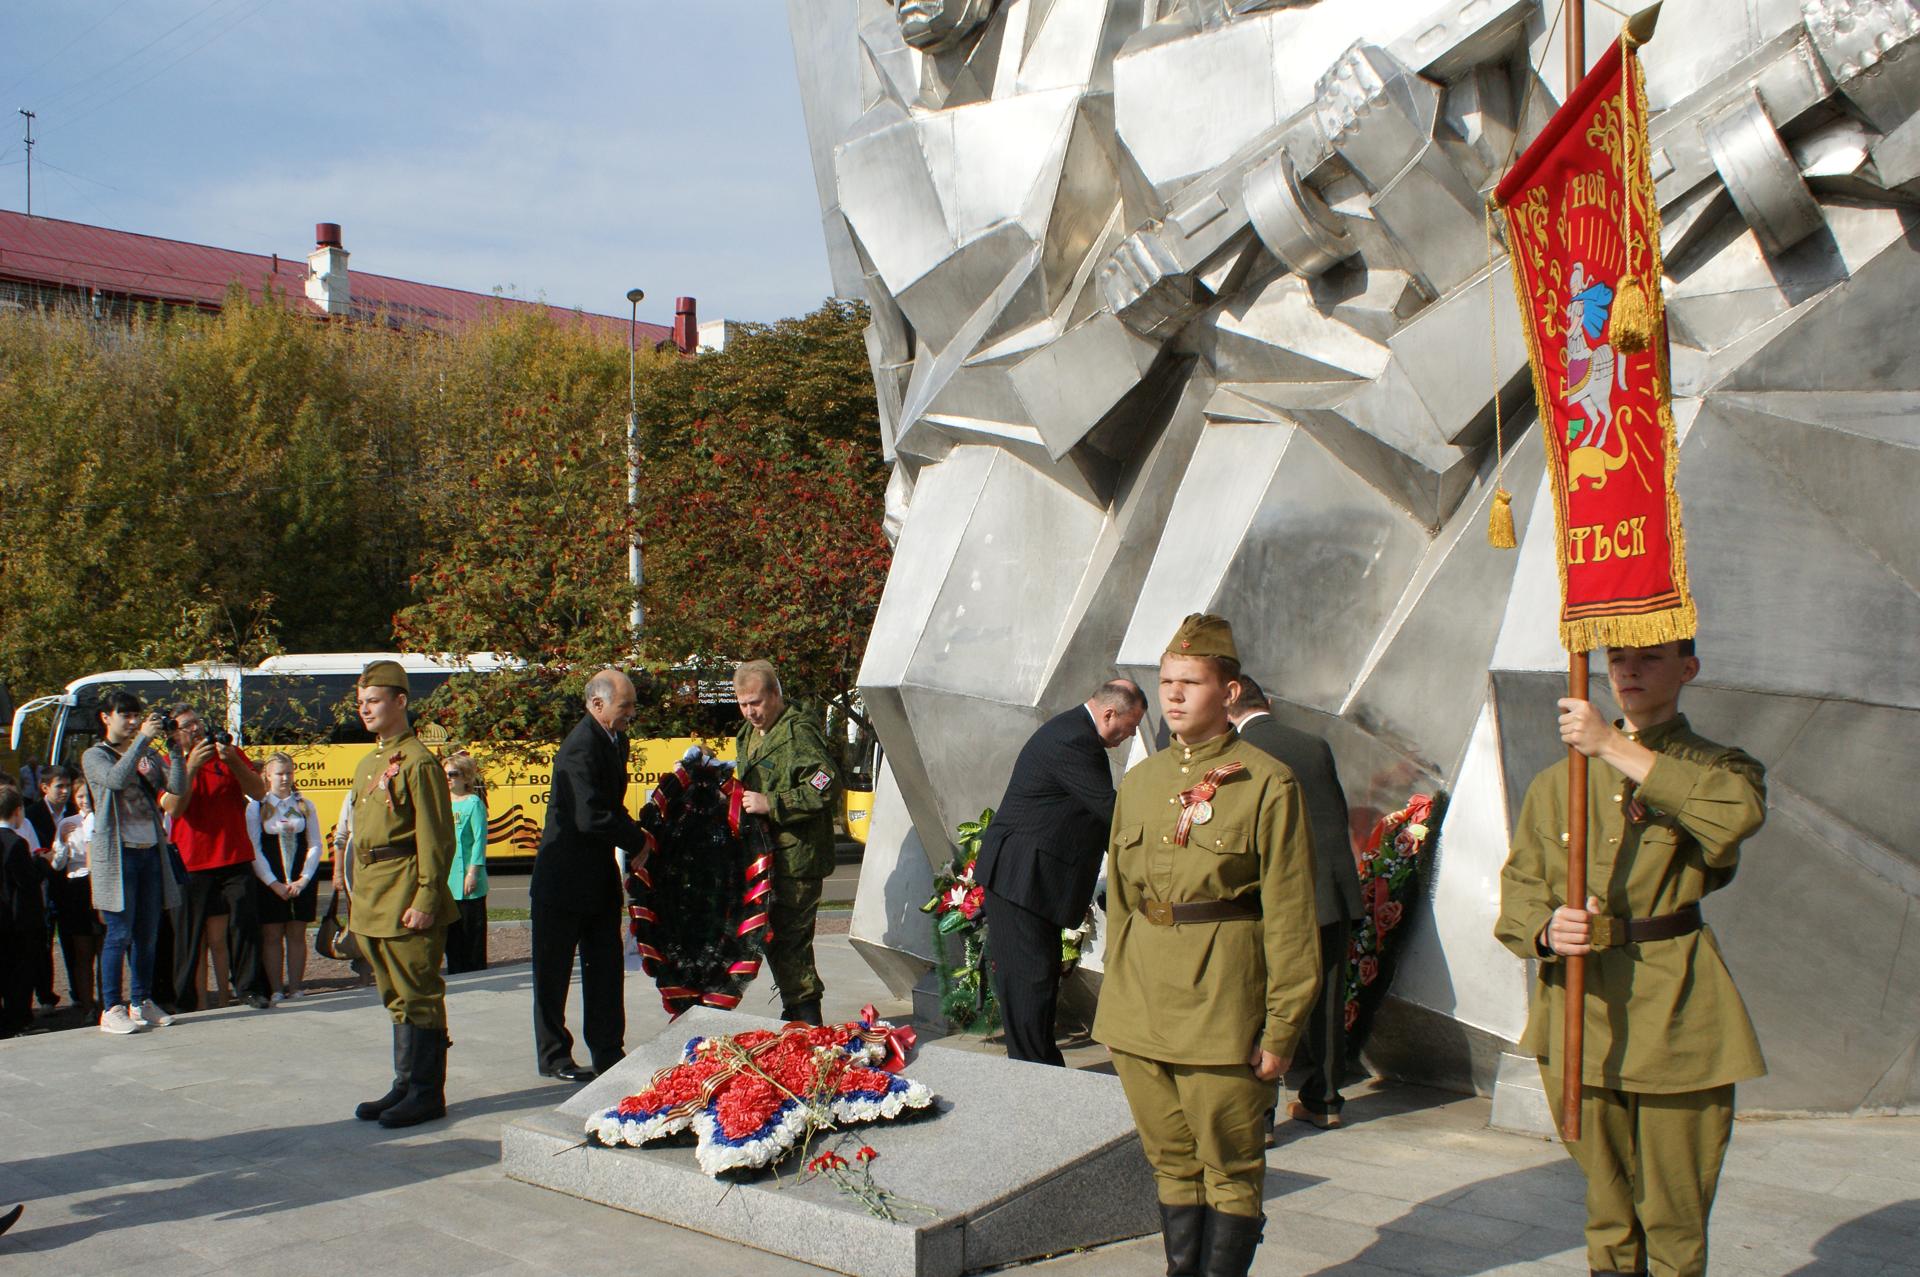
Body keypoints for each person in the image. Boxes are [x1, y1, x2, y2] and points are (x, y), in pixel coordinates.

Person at [1496, 640, 1767, 1277]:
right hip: (1582, 1012)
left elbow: (1736, 817)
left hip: (1675, 1011)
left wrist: (1611, 747)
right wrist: (1545, 929)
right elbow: (1520, 890)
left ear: (1689, 669)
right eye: (1618, 660)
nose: (1629, 672)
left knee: (1674, 1216)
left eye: (1649, 658)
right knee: (1608, 1213)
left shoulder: (1718, 767)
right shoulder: (1559, 780)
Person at [1092, 614, 1321, 1277]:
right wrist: (1118, 1006)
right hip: (1143, 1007)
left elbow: (1290, 914)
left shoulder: (1266, 781)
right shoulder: (1140, 781)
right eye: (1165, 680)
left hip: (1221, 1002)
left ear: (1228, 691)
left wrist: (1281, 1026)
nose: (1173, 694)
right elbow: (1125, 904)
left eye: (1190, 680)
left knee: (1229, 1164)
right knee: (1170, 1159)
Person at [973, 679, 1146, 1065]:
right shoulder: (1075, 740)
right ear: (1109, 713)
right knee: (1029, 983)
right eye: (1131, 726)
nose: (1130, 735)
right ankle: (1036, 1076)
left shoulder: (1074, 732)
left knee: (1035, 982)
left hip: (1030, 882)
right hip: (1022, 880)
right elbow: (1110, 812)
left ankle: (1039, 1067)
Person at [1227, 676, 1363, 1136]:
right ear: (1266, 702)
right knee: (1325, 998)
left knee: (1261, 1000)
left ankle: (1260, 1115)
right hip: (1330, 890)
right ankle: (1324, 1101)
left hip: (1277, 895)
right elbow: (1337, 812)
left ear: (1228, 705)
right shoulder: (1314, 743)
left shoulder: (1239, 754)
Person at [347, 660, 456, 1128]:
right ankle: (405, 1083)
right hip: (373, 892)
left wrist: (427, 898)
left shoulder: (418, 761)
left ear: (400, 702)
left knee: (419, 993)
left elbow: (436, 838)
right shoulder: (370, 760)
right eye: (361, 703)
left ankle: (428, 1092)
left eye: (373, 701)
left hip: (405, 888)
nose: (365, 710)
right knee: (394, 994)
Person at [531, 670, 643, 1082]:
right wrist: (638, 841)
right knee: (553, 972)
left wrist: (639, 833)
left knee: (606, 967)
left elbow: (611, 805)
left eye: (632, 704)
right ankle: (554, 1055)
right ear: (597, 705)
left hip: (597, 878)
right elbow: (591, 815)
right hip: (562, 880)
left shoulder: (615, 739)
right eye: (624, 705)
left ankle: (608, 1050)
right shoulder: (579, 747)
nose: (631, 712)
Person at [732, 660, 838, 1026]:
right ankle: (797, 1016)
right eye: (743, 704)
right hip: (768, 857)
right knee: (776, 941)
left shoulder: (797, 733)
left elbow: (825, 786)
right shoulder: (748, 735)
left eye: (756, 702)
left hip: (798, 860)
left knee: (790, 944)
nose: (751, 712)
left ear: (775, 695)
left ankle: (808, 1023)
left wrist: (772, 804)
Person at [81, 691, 183, 1035]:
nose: (132, 721)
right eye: (124, 714)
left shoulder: (146, 753)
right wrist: (142, 741)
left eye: (135, 714)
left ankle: (141, 1001)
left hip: (149, 850)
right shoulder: (94, 755)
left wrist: (174, 747)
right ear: (106, 718)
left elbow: (177, 787)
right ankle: (112, 1007)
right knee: (119, 933)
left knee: (147, 934)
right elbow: (115, 780)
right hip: (119, 855)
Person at [162, 705, 270, 1011]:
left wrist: (234, 761)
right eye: (186, 726)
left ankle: (249, 989)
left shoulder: (229, 753)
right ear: (174, 734)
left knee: (245, 925)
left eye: (197, 723)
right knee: (187, 934)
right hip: (191, 861)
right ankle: (182, 998)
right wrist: (191, 767)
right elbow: (174, 809)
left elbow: (259, 792)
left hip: (234, 854)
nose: (195, 729)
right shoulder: (171, 763)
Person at [247, 754, 321, 1000]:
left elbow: (315, 844)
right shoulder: (257, 806)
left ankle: (297, 986)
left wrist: (305, 878)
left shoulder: (304, 805)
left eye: (289, 772)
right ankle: (276, 988)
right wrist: (272, 882)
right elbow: (254, 848)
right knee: (272, 935)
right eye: (279, 773)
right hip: (271, 878)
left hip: (300, 878)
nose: (285, 778)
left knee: (297, 933)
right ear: (268, 775)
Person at [0, 789, 53, 1037]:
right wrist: (43, 863)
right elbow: (27, 880)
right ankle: (17, 1022)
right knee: (19, 975)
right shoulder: (15, 842)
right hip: (17, 921)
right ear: (18, 811)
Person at [23, 768, 73, 1013]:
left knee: (74, 940)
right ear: (44, 788)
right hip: (43, 885)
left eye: (67, 786)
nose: (65, 791)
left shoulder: (75, 811)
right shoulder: (31, 814)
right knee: (43, 944)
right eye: (59, 786)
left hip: (71, 884)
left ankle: (78, 994)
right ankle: (45, 995)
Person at [49, 785, 102, 1017]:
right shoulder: (67, 823)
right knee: (83, 952)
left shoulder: (102, 819)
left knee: (104, 948)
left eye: (88, 796)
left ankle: (108, 1001)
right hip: (76, 886)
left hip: (99, 883)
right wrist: (61, 840)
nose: (84, 800)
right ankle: (87, 1004)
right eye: (80, 796)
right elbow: (57, 864)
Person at [443, 752, 490, 975]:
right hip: (447, 879)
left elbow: (480, 841)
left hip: (468, 879)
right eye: (445, 774)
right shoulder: (442, 804)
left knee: (471, 932)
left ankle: (475, 972)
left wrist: (473, 873)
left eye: (453, 774)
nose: (448, 778)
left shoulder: (473, 804)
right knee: (452, 935)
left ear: (466, 777)